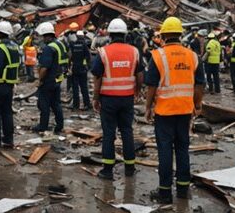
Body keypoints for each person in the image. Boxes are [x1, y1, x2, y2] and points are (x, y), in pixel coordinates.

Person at [144, 17, 204, 204]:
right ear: (180, 34)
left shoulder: (157, 56)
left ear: (163, 35)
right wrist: (198, 104)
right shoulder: (192, 56)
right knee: (182, 149)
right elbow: (200, 84)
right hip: (185, 110)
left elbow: (151, 86)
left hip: (164, 111)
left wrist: (148, 107)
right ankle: (183, 190)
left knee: (165, 150)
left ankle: (164, 193)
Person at [92, 18, 143, 180]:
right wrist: (137, 91)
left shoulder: (103, 52)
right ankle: (130, 167)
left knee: (109, 134)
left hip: (108, 99)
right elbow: (140, 74)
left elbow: (97, 77)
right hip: (127, 98)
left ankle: (107, 170)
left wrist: (95, 97)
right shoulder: (134, 51)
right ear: (125, 34)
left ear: (110, 34)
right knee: (127, 131)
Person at [33, 22, 67, 134]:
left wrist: (40, 80)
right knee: (56, 104)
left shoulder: (49, 48)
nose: (43, 39)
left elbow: (44, 68)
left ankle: (43, 126)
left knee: (44, 104)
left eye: (43, 37)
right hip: (58, 79)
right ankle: (59, 125)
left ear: (47, 36)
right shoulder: (60, 45)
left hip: (49, 80)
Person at [68, 30, 91, 110]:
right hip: (82, 69)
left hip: (75, 68)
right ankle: (87, 104)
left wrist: (69, 66)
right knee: (84, 87)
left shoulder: (73, 45)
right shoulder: (84, 45)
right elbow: (88, 57)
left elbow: (70, 56)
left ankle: (75, 105)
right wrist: (87, 65)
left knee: (75, 88)